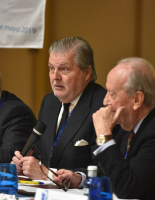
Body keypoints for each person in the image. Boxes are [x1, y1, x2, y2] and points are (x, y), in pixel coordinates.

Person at [53, 57, 155, 200]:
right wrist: (80, 178)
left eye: (112, 94)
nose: (105, 101)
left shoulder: (152, 132)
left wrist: (104, 135)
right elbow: (112, 171)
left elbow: (128, 188)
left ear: (137, 99)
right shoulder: (126, 128)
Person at [12, 37, 106, 182]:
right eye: (51, 69)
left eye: (64, 69)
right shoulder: (49, 102)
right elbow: (41, 154)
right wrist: (25, 166)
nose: (55, 77)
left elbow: (105, 168)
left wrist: (49, 175)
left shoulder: (103, 105)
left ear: (87, 73)